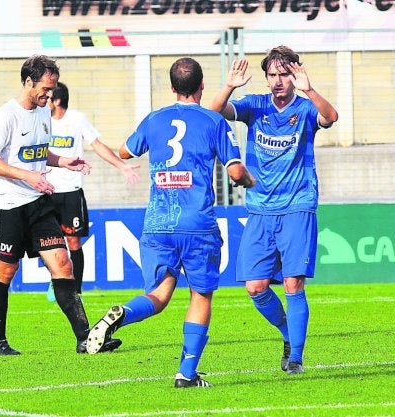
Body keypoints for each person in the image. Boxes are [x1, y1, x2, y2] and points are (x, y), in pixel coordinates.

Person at [86, 57, 256, 388]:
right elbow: (235, 172)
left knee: (160, 294)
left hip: (158, 222)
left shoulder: (155, 119)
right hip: (197, 224)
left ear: (172, 88)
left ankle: (122, 313)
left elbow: (124, 152)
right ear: (202, 85)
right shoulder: (213, 122)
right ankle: (186, 374)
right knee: (200, 296)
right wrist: (250, 181)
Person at [209, 46, 339, 374]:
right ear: (266, 77)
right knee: (255, 286)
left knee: (294, 283)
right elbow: (213, 112)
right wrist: (229, 86)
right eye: (273, 75)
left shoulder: (306, 108)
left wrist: (309, 87)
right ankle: (286, 332)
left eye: (284, 74)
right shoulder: (255, 106)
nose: (278, 81)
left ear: (294, 76)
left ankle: (295, 357)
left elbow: (331, 117)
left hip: (298, 205)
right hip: (260, 209)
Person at [0, 55, 122, 356]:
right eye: (46, 88)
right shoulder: (6, 115)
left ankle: (86, 339)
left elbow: (37, 154)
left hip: (38, 203)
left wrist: (62, 160)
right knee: (6, 270)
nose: (50, 95)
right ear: (29, 82)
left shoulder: (43, 112)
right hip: (9, 207)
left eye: (53, 88)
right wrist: (27, 176)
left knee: (62, 262)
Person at [45, 81, 141, 301]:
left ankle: (75, 291)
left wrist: (121, 165)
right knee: (48, 243)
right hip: (46, 190)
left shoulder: (77, 120)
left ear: (57, 100)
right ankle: (56, 280)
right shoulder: (40, 120)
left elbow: (97, 145)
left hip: (71, 190)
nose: (45, 100)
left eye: (49, 97)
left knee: (73, 242)